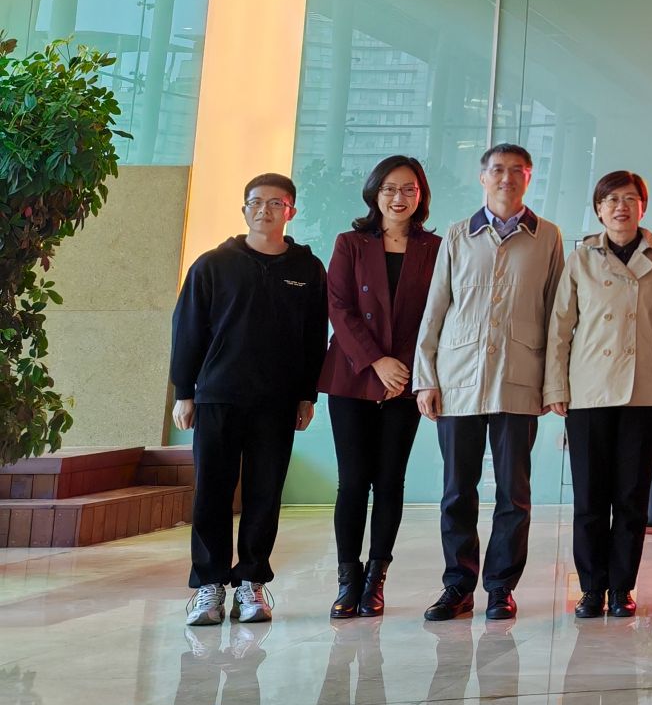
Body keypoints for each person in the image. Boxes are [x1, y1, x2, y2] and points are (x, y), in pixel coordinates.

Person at [414, 143, 565, 623]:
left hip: (519, 377)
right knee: (457, 490)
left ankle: (501, 587)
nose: (506, 177)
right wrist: (425, 378)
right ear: (483, 177)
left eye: (517, 170)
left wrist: (553, 384)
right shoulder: (458, 234)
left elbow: (556, 314)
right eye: (497, 169)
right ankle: (457, 586)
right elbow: (436, 307)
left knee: (513, 494)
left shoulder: (548, 237)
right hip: (458, 378)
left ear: (529, 178)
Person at [170, 172, 324, 627]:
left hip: (277, 401)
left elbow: (315, 336)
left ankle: (252, 583)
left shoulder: (307, 269)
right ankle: (209, 585)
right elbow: (187, 330)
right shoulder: (213, 264)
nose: (264, 210)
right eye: (256, 202)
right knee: (212, 493)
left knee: (265, 493)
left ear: (290, 211)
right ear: (244, 210)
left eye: (276, 203)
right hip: (218, 395)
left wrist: (307, 395)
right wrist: (184, 392)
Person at [545, 169, 652, 619]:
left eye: (629, 199)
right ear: (598, 209)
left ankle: (622, 588)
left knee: (631, 497)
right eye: (611, 200)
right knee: (590, 498)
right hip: (589, 391)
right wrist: (556, 385)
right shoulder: (581, 258)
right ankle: (591, 589)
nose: (620, 207)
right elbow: (560, 327)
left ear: (642, 207)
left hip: (645, 390)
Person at [319, 155, 438, 619]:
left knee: (390, 481)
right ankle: (348, 580)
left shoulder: (435, 248)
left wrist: (401, 370)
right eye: (390, 188)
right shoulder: (350, 243)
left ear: (420, 195)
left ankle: (375, 579)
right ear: (375, 193)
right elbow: (339, 306)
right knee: (353, 481)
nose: (398, 197)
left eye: (409, 189)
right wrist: (377, 362)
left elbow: (436, 313)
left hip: (406, 381)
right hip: (353, 376)